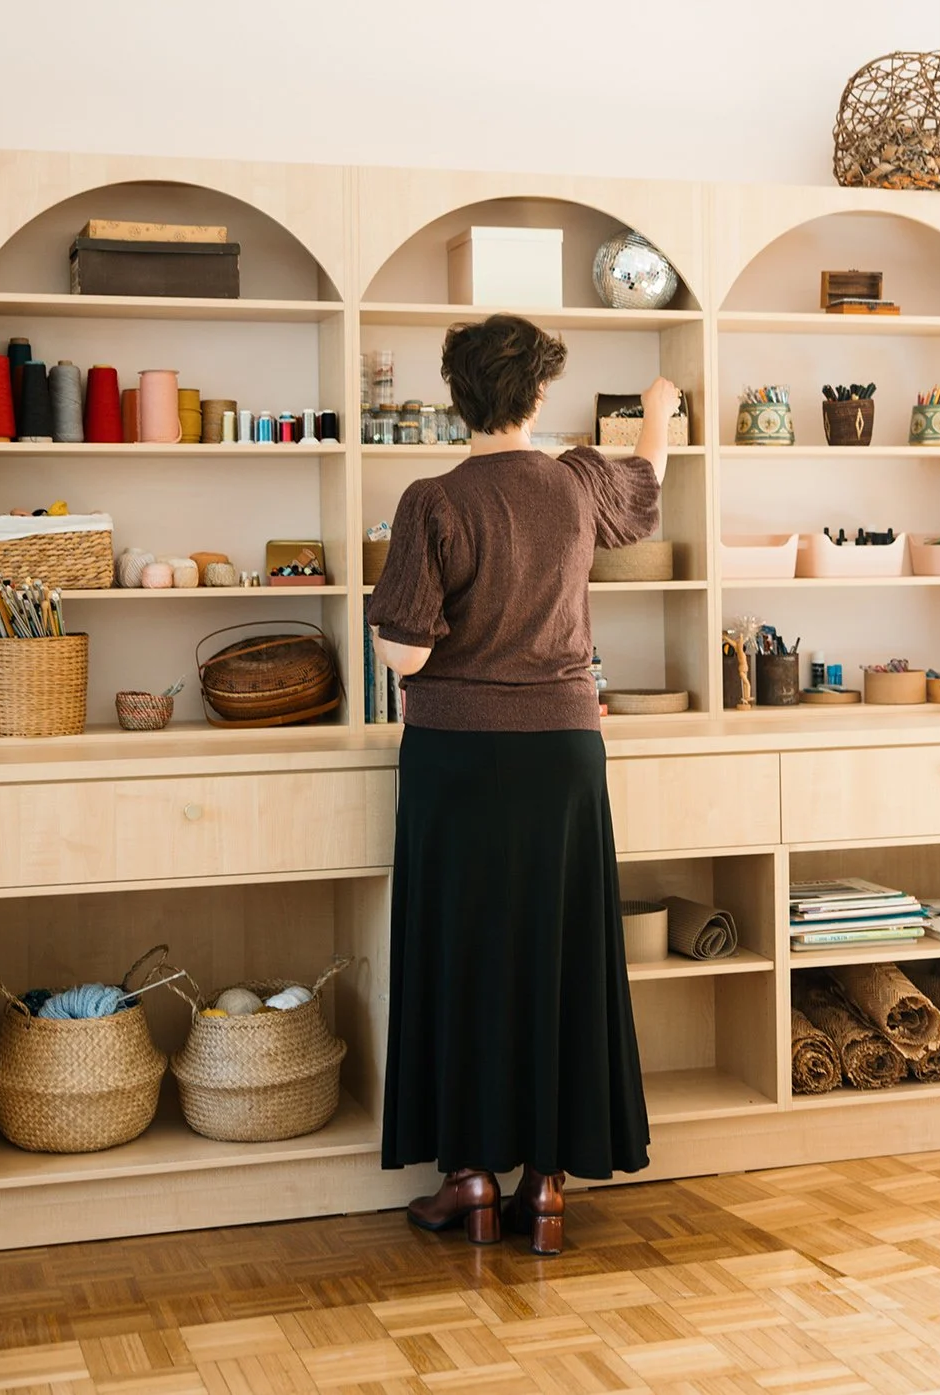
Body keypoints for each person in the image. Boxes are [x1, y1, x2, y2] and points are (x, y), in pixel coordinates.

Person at [367, 312, 680, 1255]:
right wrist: (659, 407)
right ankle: (545, 1187)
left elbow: (405, 652)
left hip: (457, 762)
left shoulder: (431, 499)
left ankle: (467, 1178)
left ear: (456, 398)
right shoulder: (583, 481)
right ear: (539, 394)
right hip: (564, 755)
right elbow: (649, 488)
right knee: (559, 952)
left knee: (459, 957)